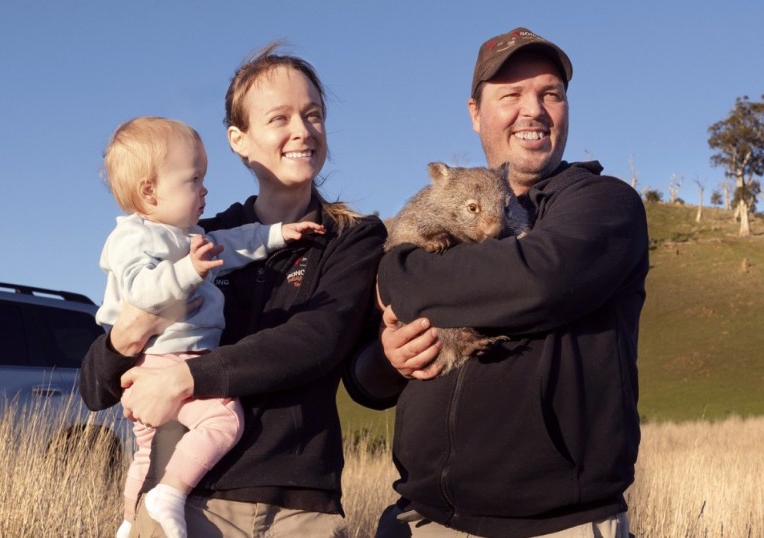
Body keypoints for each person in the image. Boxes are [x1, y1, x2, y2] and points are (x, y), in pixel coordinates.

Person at [344, 27, 649, 537]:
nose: (533, 109)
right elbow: (364, 385)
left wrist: (396, 273)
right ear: (474, 113)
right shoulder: (441, 212)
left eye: (550, 93)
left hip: (556, 525)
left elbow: (536, 280)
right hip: (423, 520)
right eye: (511, 95)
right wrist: (388, 357)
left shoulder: (602, 205)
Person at [80, 43, 387, 538]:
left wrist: (185, 379)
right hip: (185, 501)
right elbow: (95, 387)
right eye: (279, 118)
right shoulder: (194, 236)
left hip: (299, 506)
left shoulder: (352, 237)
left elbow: (315, 340)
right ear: (238, 140)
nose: (302, 131)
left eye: (314, 115)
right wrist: (125, 337)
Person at [96, 116, 324, 538]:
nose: (205, 190)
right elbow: (140, 290)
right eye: (194, 180)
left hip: (167, 361)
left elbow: (236, 243)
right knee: (222, 421)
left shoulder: (186, 234)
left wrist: (278, 234)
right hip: (163, 360)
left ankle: (129, 521)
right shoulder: (134, 238)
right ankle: (170, 493)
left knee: (146, 450)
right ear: (150, 190)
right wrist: (188, 271)